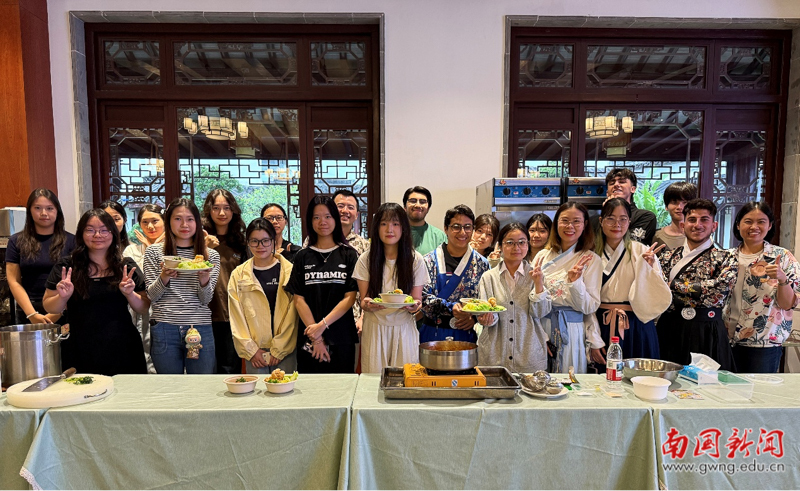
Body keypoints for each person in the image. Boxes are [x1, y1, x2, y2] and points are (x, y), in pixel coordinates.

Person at [42, 209, 147, 375]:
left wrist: (130, 294)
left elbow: (143, 307)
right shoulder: (67, 266)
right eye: (90, 230)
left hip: (122, 345)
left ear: (113, 233)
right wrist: (62, 297)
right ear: (81, 233)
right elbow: (49, 306)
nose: (97, 235)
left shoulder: (125, 266)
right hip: (79, 345)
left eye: (104, 230)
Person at [657, 199, 737, 371]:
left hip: (708, 329)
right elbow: (659, 288)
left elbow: (720, 289)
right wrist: (698, 289)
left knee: (710, 382)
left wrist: (675, 286)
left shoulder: (726, 257)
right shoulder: (667, 256)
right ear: (682, 225)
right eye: (692, 220)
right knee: (667, 381)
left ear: (714, 225)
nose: (697, 225)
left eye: (704, 220)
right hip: (671, 326)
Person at [144, 198, 220, 374]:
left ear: (197, 222)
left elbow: (206, 299)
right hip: (165, 326)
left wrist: (204, 279)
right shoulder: (154, 253)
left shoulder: (210, 256)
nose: (184, 224)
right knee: (170, 386)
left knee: (201, 384)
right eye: (178, 219)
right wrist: (164, 276)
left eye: (190, 219)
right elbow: (152, 296)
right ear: (168, 221)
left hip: (199, 326)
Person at [723, 202, 800, 373]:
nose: (754, 227)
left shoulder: (783, 257)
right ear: (738, 225)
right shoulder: (726, 257)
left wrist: (782, 279)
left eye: (761, 222)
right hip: (725, 340)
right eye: (748, 221)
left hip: (763, 344)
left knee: (759, 390)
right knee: (725, 389)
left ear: (770, 225)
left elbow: (787, 304)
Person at [285, 196, 359, 373]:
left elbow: (350, 298)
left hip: (341, 336)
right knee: (310, 387)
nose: (322, 222)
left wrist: (322, 326)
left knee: (343, 386)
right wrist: (316, 338)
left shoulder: (349, 255)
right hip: (309, 338)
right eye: (316, 217)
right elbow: (298, 299)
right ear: (310, 221)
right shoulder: (302, 256)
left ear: (335, 219)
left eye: (327, 216)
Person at [594, 198, 671, 361]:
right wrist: (592, 338)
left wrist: (647, 271)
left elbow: (658, 295)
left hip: (637, 324)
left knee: (638, 374)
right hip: (601, 323)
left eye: (623, 219)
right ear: (601, 221)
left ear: (629, 222)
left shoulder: (643, 251)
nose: (617, 224)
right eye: (610, 219)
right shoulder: (592, 253)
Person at [355, 203, 427, 373]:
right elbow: (364, 300)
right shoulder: (365, 259)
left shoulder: (415, 259)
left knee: (405, 376)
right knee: (373, 380)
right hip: (374, 327)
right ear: (376, 228)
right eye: (384, 224)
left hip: (404, 328)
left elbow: (417, 300)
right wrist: (367, 304)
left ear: (403, 228)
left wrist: (414, 306)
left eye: (395, 224)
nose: (389, 229)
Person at [534, 202, 602, 374]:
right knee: (539, 379)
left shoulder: (591, 259)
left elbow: (590, 307)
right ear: (556, 223)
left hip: (571, 329)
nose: (570, 226)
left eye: (576, 221)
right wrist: (541, 334)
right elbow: (531, 298)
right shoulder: (542, 255)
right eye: (564, 220)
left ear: (585, 224)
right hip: (541, 326)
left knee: (568, 379)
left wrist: (575, 283)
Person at [477, 222, 550, 373]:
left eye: (522, 242)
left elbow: (540, 313)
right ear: (500, 245)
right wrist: (487, 318)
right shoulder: (489, 277)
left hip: (528, 354)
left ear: (527, 245)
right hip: (495, 354)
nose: (516, 247)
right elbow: (486, 311)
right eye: (510, 242)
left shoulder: (536, 275)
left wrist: (538, 284)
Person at [228, 218, 299, 374]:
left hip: (285, 350)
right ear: (248, 243)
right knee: (257, 389)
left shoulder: (289, 271)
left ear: (273, 241)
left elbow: (293, 315)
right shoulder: (238, 275)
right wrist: (251, 350)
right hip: (255, 353)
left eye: (265, 241)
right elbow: (236, 316)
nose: (260, 246)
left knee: (285, 387)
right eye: (254, 241)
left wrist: (280, 348)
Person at [419, 204, 489, 343]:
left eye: (467, 227)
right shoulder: (428, 261)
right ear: (446, 229)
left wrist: (475, 318)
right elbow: (421, 297)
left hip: (465, 333)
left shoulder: (482, 264)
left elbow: (486, 300)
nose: (462, 232)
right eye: (456, 227)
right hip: (432, 332)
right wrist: (451, 308)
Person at [6, 188, 76, 325]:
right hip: (28, 309)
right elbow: (14, 281)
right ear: (30, 211)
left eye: (50, 208)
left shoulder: (72, 241)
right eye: (38, 208)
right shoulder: (16, 241)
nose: (44, 213)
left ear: (57, 211)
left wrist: (57, 312)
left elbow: (77, 279)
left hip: (63, 307)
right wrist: (32, 314)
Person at [202, 189, 247, 374]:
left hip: (231, 314)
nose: (222, 213)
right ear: (208, 211)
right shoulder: (198, 239)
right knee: (204, 370)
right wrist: (204, 248)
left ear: (233, 210)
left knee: (229, 369)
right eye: (216, 208)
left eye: (227, 208)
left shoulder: (240, 242)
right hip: (202, 314)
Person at [122, 203, 164, 373]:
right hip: (139, 306)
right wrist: (149, 248)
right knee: (143, 353)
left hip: (165, 308)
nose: (150, 226)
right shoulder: (131, 250)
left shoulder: (174, 248)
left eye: (155, 221)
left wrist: (154, 249)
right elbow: (139, 278)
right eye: (145, 222)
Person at [590, 168, 656, 245]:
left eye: (622, 182)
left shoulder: (645, 217)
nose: (616, 185)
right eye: (612, 183)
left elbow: (631, 245)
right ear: (607, 192)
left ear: (633, 189)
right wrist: (606, 213)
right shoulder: (593, 221)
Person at [653, 182, 698, 251]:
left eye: (685, 202)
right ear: (666, 206)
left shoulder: (700, 235)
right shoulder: (656, 236)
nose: (679, 207)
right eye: (674, 202)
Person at [403, 186, 447, 256]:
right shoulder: (394, 233)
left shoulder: (439, 237)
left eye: (422, 202)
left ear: (428, 208)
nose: (417, 205)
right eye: (413, 201)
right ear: (405, 207)